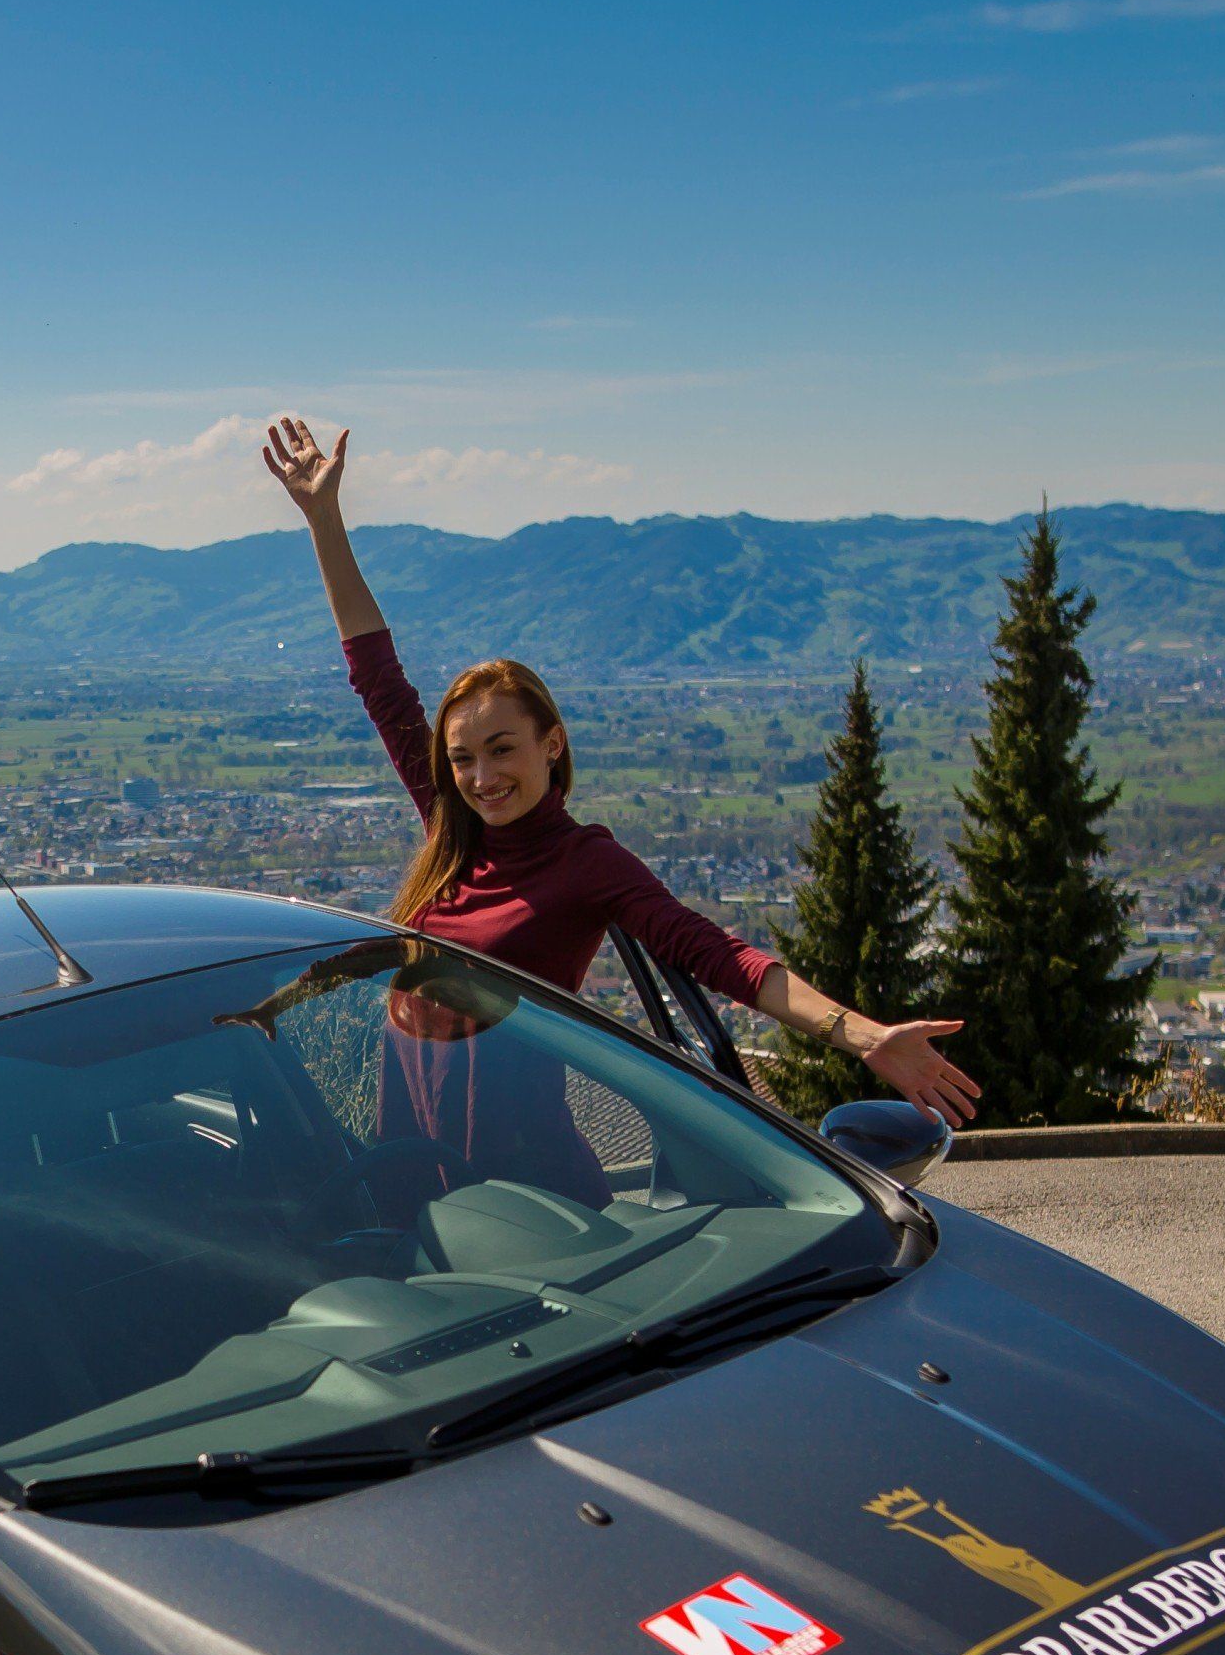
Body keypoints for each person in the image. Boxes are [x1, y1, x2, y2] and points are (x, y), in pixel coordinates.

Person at [259, 417, 978, 1155]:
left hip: (526, 1182)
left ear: (553, 743)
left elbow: (718, 956)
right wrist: (324, 517)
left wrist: (863, 1037)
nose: (481, 776)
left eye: (502, 749)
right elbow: (378, 675)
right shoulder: (452, 828)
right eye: (464, 756)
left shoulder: (584, 863)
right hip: (413, 1164)